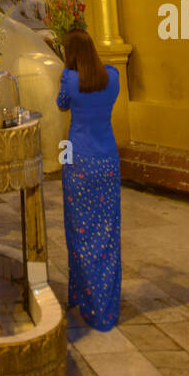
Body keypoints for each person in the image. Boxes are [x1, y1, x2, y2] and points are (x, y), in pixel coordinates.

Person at [56, 29, 121, 331]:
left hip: (77, 159)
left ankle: (82, 297)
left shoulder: (69, 79)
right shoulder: (112, 77)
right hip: (107, 159)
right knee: (107, 234)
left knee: (79, 232)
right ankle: (104, 311)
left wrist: (65, 72)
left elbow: (61, 104)